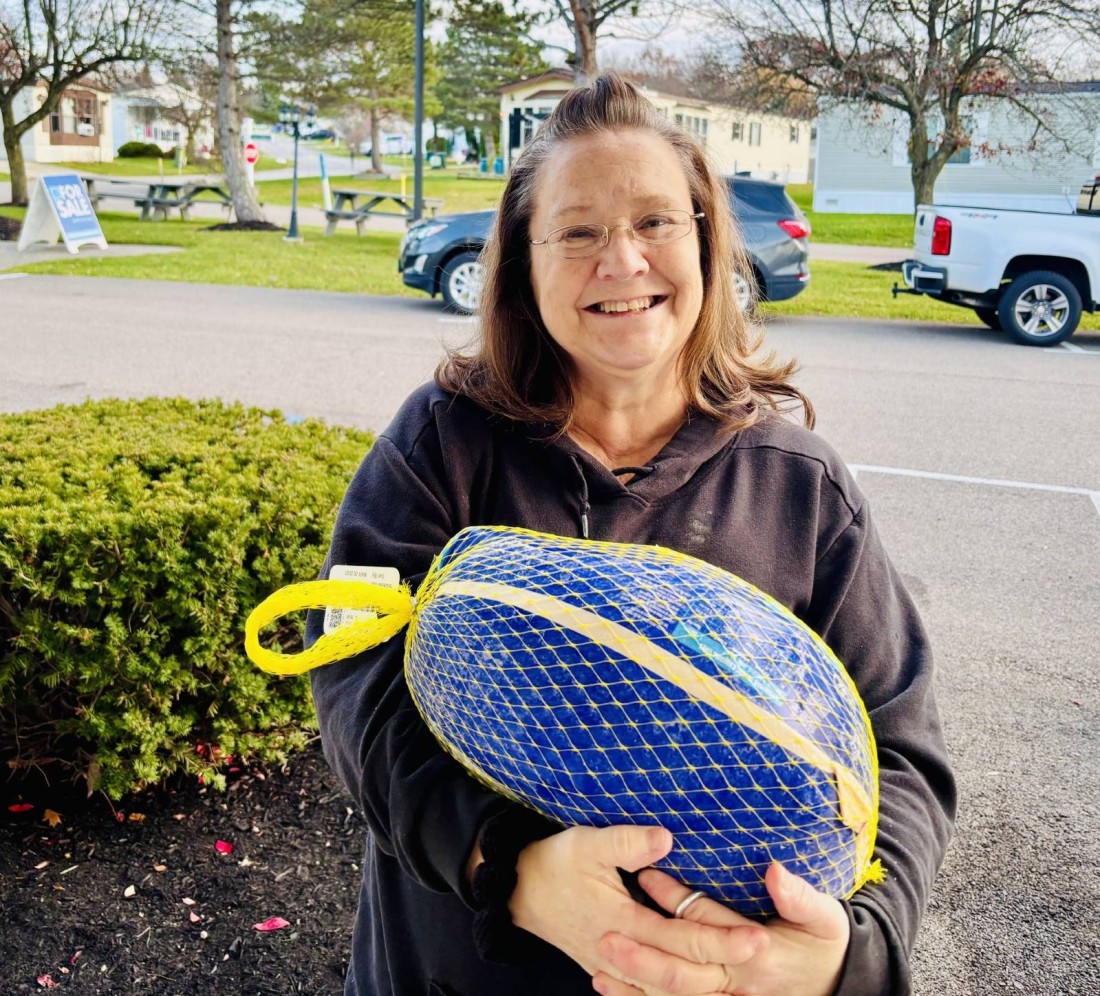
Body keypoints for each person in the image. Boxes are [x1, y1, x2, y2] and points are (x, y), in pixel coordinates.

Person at [306, 72, 956, 996]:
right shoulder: (437, 444)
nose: (623, 262)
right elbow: (350, 669)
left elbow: (902, 749)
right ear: (523, 267)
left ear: (704, 242)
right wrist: (510, 871)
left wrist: (845, 958)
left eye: (656, 222)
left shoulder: (801, 486)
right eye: (577, 232)